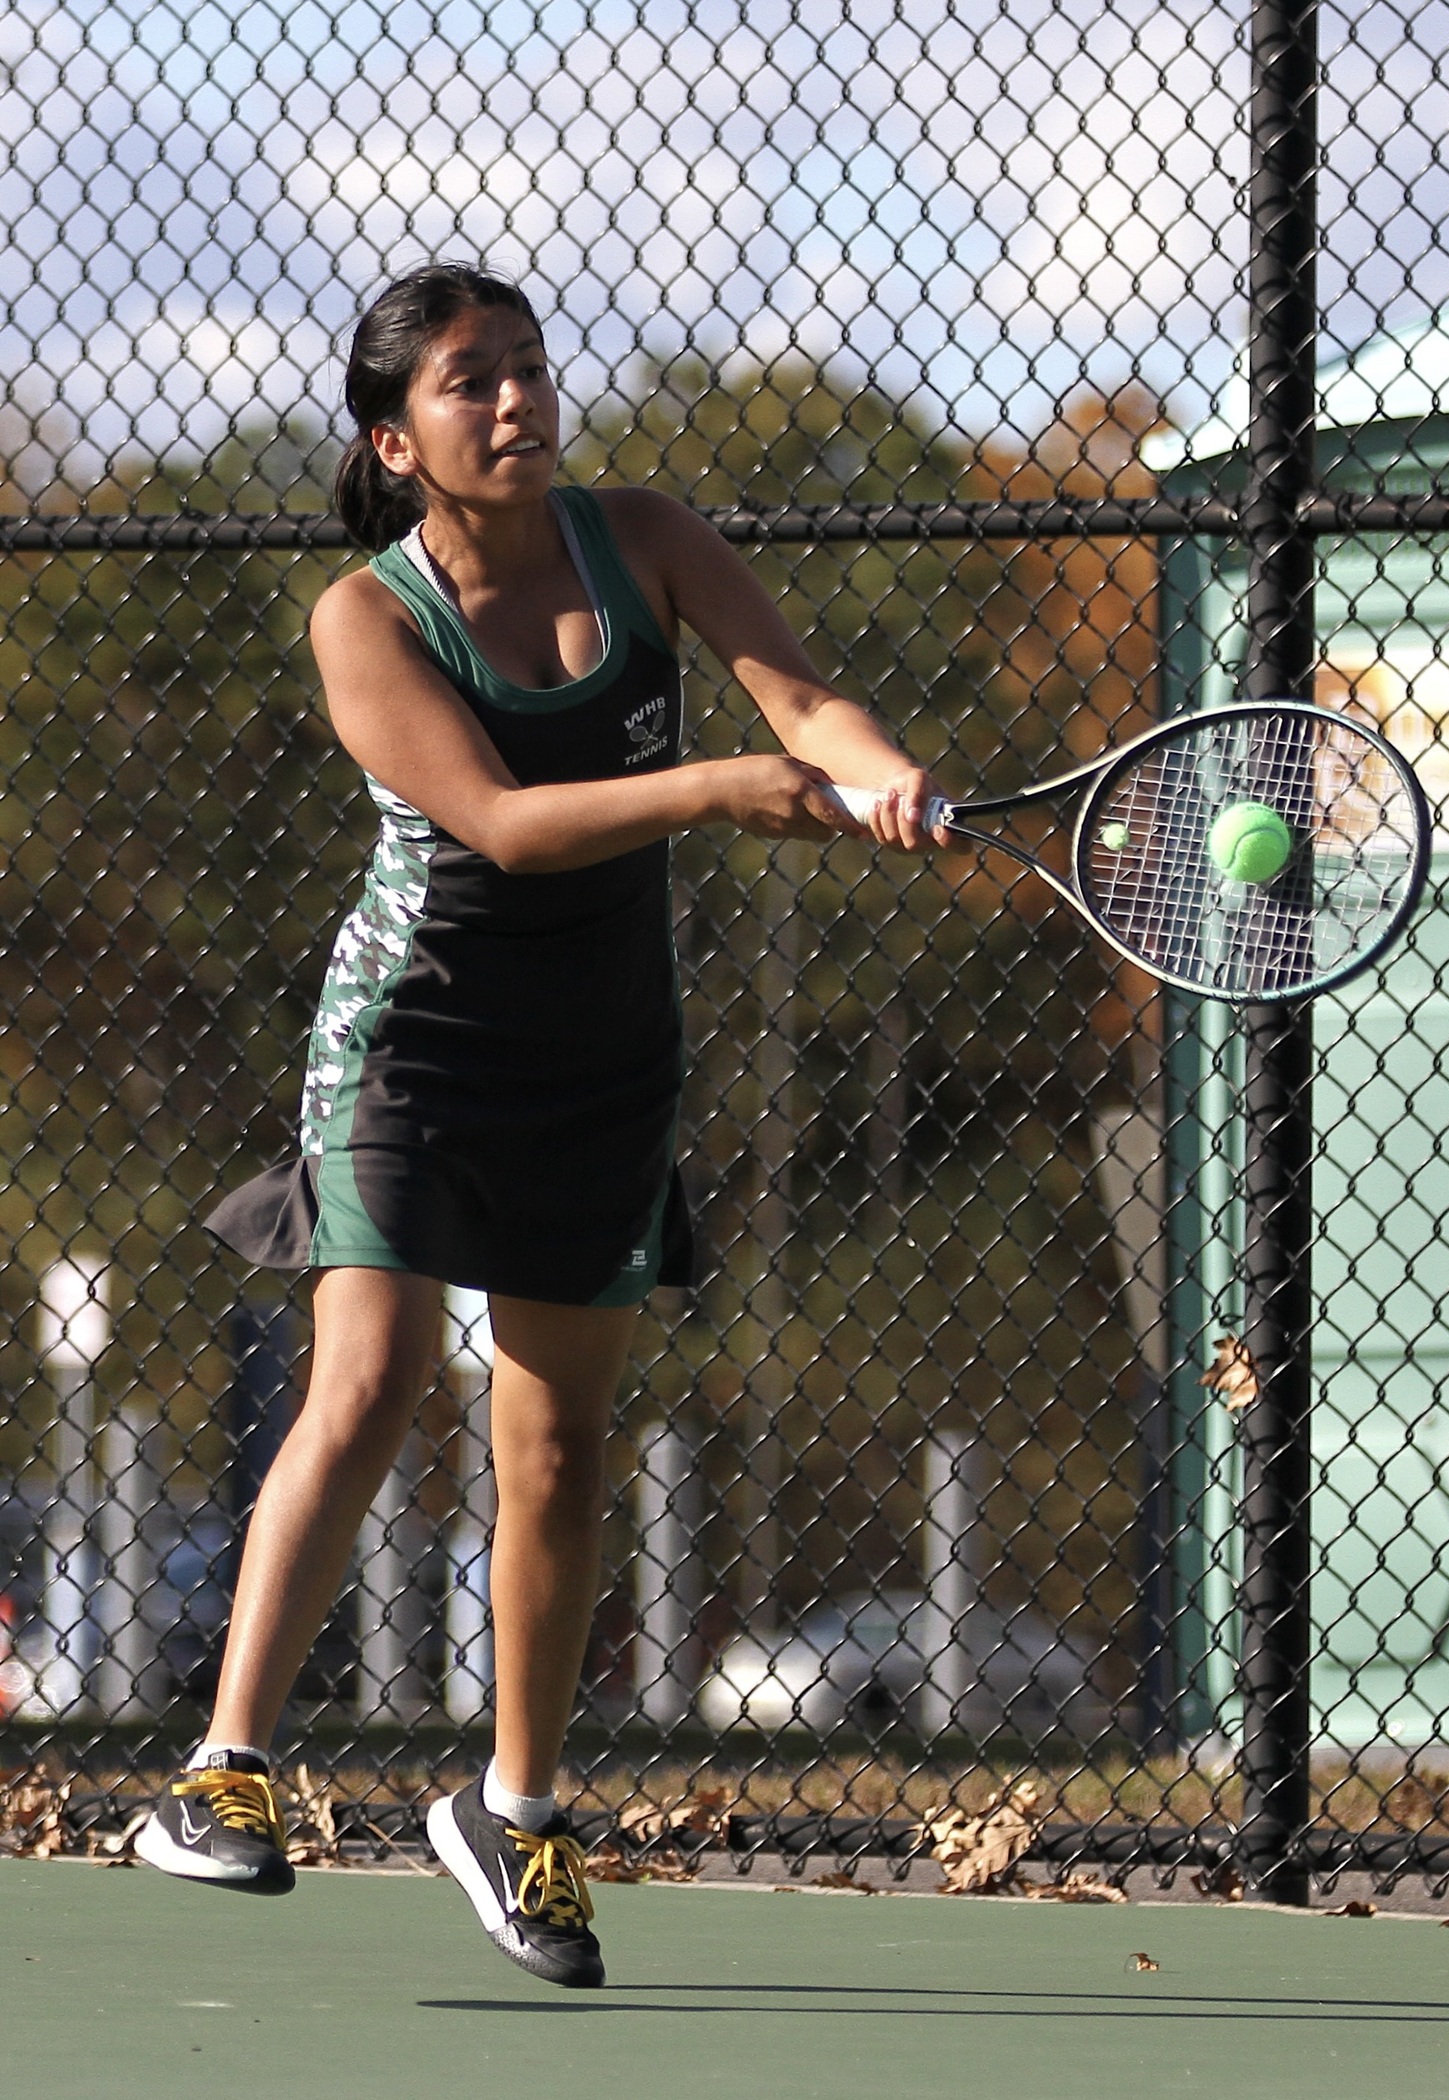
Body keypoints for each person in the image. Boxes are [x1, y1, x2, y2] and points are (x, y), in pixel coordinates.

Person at [136, 261, 945, 1988]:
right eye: (468, 384)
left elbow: (801, 702)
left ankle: (512, 1810)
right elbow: (502, 824)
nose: (513, 403)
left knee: (559, 1446)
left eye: (526, 368)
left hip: (605, 1059)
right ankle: (227, 1772)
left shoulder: (643, 533)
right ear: (398, 437)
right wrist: (724, 789)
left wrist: (872, 768)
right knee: (366, 1383)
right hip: (414, 1044)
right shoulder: (365, 618)